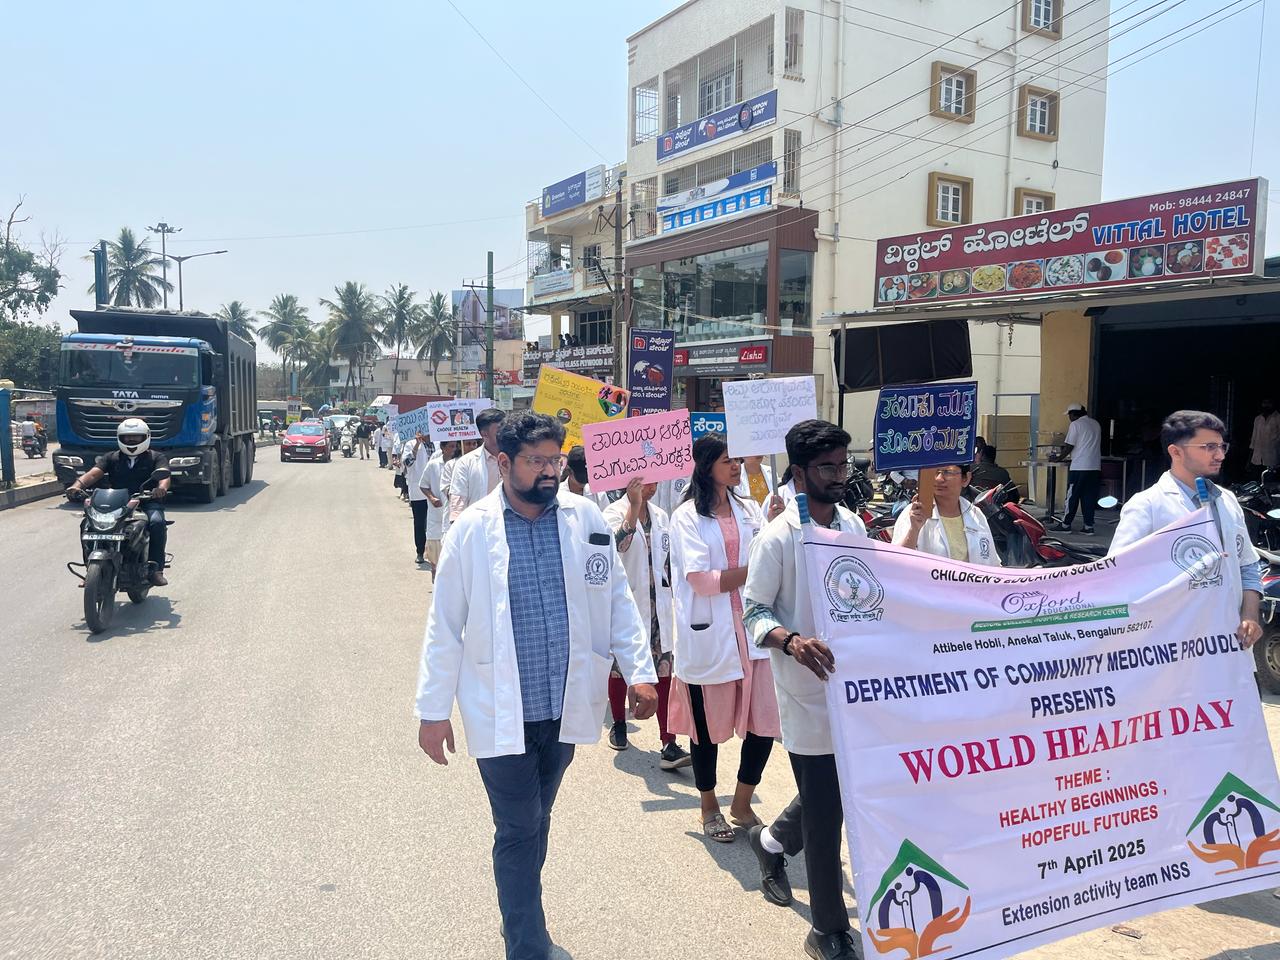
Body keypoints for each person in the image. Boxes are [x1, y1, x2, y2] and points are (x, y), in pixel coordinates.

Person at [416, 411, 658, 960]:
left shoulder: (584, 517)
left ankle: (518, 914)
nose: (550, 471)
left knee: (536, 820)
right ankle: (527, 944)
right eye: (536, 461)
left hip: (563, 705)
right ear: (503, 463)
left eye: (555, 459)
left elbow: (616, 597)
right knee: (519, 826)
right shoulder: (471, 531)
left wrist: (639, 669)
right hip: (500, 708)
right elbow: (444, 626)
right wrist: (433, 711)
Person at [742, 419, 867, 960]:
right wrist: (791, 641)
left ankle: (770, 841)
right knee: (825, 815)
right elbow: (753, 611)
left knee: (836, 792)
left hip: (856, 688)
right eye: (827, 468)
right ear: (798, 472)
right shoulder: (776, 537)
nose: (839, 476)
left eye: (843, 465)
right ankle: (827, 929)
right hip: (806, 691)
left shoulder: (854, 526)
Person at [668, 434, 779, 843]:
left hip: (752, 629)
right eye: (727, 460)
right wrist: (756, 569)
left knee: (764, 720)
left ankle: (742, 802)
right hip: (711, 631)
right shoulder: (686, 517)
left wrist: (775, 526)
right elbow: (702, 580)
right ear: (706, 467)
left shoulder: (749, 508)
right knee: (706, 726)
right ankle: (709, 805)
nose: (736, 467)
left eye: (736, 460)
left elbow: (773, 555)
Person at [1110, 410, 1262, 653]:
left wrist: (1250, 617)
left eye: (1222, 446)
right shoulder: (1147, 505)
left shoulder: (1228, 501)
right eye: (1209, 447)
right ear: (1176, 452)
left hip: (1229, 642)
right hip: (1172, 645)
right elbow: (1118, 575)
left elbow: (1248, 566)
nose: (1220, 455)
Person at [602, 476, 691, 769]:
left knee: (664, 669)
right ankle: (619, 722)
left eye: (655, 483)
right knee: (620, 668)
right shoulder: (613, 512)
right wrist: (633, 506)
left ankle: (668, 741)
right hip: (628, 604)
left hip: (659, 606)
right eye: (646, 483)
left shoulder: (662, 517)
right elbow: (616, 546)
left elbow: (669, 560)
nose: (651, 488)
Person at [64, 418, 172, 586]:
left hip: (147, 501)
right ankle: (90, 569)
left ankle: (156, 570)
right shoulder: (112, 457)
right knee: (87, 524)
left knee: (157, 522)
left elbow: (164, 476)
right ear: (120, 438)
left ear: (146, 437)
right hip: (118, 503)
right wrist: (76, 486)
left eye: (136, 437)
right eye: (127, 437)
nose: (131, 440)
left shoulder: (156, 457)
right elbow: (93, 474)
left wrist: (161, 488)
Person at [893, 463, 1002, 565]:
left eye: (947, 472)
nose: (939, 479)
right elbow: (896, 563)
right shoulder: (914, 513)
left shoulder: (976, 515)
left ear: (965, 478)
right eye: (934, 472)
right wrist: (914, 529)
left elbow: (992, 564)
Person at [1052, 403, 1102, 534]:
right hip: (1095, 467)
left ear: (1074, 414)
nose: (1069, 418)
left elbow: (1069, 446)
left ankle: (1065, 525)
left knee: (1072, 496)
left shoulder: (1075, 425)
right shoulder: (1095, 424)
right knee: (1089, 497)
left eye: (1069, 415)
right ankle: (1088, 527)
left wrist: (1059, 458)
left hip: (1079, 466)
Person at [449, 409, 505, 520]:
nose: (505, 432)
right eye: (500, 428)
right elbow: (458, 500)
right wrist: (458, 525)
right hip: (479, 524)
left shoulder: (517, 458)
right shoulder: (465, 463)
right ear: (484, 433)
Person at [422, 440, 458, 578]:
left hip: (451, 517)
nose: (454, 449)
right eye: (451, 446)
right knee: (435, 559)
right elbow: (423, 485)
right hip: (436, 516)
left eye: (456, 446)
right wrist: (432, 498)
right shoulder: (433, 465)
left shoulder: (460, 464)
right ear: (442, 448)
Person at [403, 429, 433, 565]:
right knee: (420, 523)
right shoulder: (410, 444)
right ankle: (420, 551)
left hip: (435, 489)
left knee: (435, 522)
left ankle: (434, 551)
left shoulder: (438, 443)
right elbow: (407, 462)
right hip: (419, 490)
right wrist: (416, 445)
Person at [563, 445, 610, 510]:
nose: (585, 481)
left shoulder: (599, 494)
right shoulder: (558, 494)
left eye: (588, 475)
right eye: (582, 477)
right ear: (569, 471)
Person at [1249, 398, 1279, 476]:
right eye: (1264, 403)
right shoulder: (1258, 419)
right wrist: (1249, 460)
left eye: (1269, 403)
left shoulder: (1278, 418)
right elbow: (1253, 439)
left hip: (1272, 459)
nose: (1266, 405)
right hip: (1257, 459)